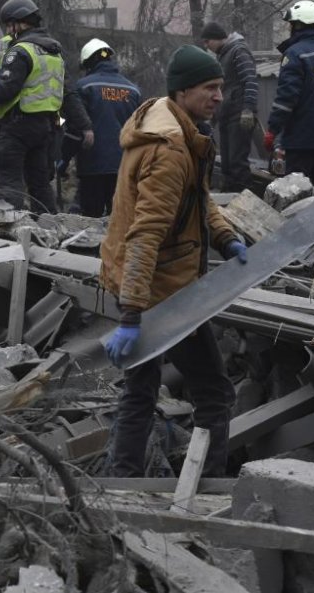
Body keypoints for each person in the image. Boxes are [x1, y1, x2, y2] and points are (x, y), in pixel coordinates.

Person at [99, 45, 246, 477]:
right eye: (209, 88)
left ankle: (120, 481)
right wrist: (132, 315)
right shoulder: (170, 150)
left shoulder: (167, 124)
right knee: (215, 395)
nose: (219, 96)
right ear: (182, 92)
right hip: (162, 292)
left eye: (221, 87)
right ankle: (206, 494)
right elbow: (146, 234)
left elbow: (197, 201)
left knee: (140, 391)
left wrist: (225, 238)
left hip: (147, 284)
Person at [0, 0, 90, 212]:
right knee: (40, 185)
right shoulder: (52, 53)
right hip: (44, 130)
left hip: (14, 128)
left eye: (10, 25)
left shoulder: (20, 51)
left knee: (10, 185)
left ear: (21, 22)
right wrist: (85, 126)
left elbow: (5, 89)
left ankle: (11, 236)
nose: (8, 31)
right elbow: (68, 93)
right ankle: (49, 229)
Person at [62, 38, 141, 216]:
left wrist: (63, 160)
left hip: (92, 166)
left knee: (91, 220)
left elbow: (74, 127)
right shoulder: (134, 90)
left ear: (88, 63)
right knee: (121, 220)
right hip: (125, 166)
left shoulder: (84, 87)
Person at [263, 1, 314, 185]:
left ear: (297, 25)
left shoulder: (294, 54)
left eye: (291, 24)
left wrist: (273, 130)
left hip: (300, 141)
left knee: (297, 193)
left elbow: (286, 98)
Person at [200, 22, 258, 192]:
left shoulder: (238, 51)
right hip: (227, 115)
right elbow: (222, 92)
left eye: (207, 41)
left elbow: (250, 81)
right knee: (226, 165)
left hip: (239, 116)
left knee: (237, 164)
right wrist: (213, 118)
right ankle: (230, 204)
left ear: (217, 38)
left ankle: (244, 203)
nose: (206, 46)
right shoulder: (224, 56)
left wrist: (248, 109)